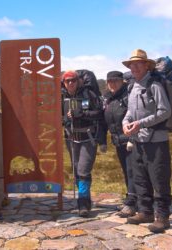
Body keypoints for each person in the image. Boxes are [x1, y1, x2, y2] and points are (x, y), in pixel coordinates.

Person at [121, 49, 172, 233]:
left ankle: (162, 217)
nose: (133, 68)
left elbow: (165, 111)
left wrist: (140, 124)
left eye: (137, 64)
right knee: (140, 177)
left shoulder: (154, 85)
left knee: (159, 178)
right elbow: (130, 111)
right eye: (131, 65)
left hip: (156, 141)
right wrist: (125, 123)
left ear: (146, 65)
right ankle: (145, 212)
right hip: (138, 141)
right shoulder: (132, 86)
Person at [61, 70, 103, 217]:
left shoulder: (88, 94)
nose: (70, 83)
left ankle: (83, 204)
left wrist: (82, 114)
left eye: (73, 80)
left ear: (78, 80)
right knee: (76, 170)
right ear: (64, 83)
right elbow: (57, 115)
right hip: (71, 139)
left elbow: (99, 113)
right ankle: (84, 198)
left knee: (83, 170)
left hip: (88, 138)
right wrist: (64, 120)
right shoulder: (62, 97)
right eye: (67, 81)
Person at [102, 71, 137, 217]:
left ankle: (131, 203)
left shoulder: (128, 96)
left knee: (132, 171)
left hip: (131, 141)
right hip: (118, 141)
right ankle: (132, 199)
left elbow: (135, 117)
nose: (112, 83)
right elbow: (105, 121)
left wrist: (132, 139)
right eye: (110, 81)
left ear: (122, 81)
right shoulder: (109, 99)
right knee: (127, 171)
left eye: (115, 80)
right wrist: (102, 141)